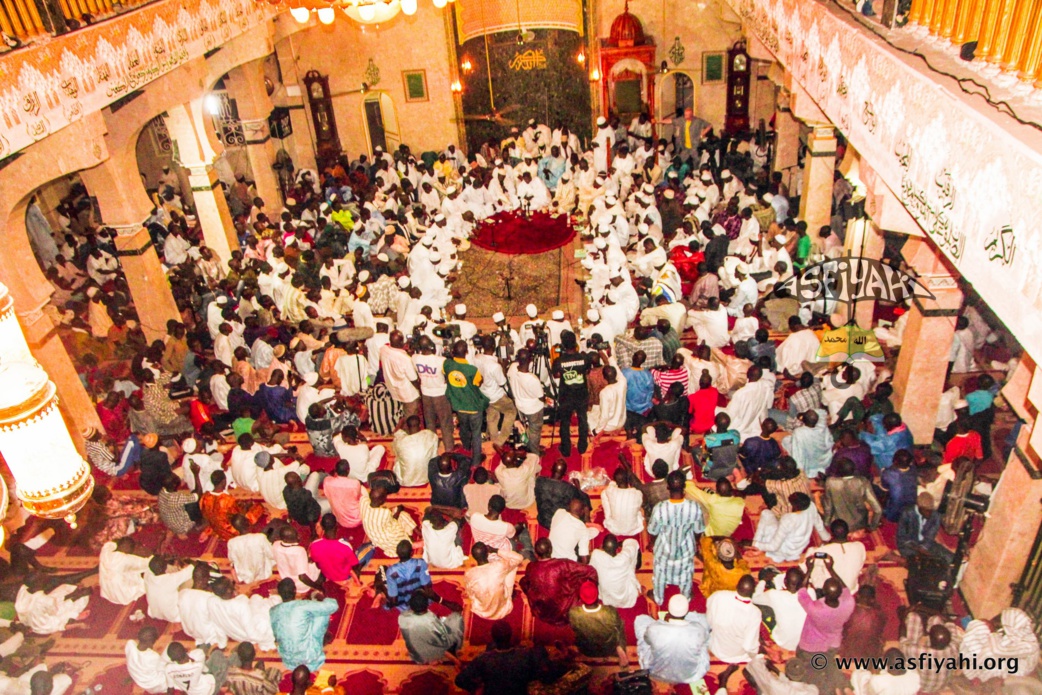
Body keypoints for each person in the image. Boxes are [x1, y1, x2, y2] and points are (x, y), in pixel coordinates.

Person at [797, 556, 855, 690]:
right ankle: (838, 685)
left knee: (810, 669)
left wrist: (809, 569)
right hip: (833, 643)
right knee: (828, 662)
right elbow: (845, 588)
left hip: (811, 645)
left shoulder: (816, 609)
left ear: (823, 592)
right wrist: (831, 568)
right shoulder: (848, 603)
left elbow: (801, 592)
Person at [633, 593, 711, 693]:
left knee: (641, 619)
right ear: (686, 611)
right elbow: (705, 638)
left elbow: (646, 640)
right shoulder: (698, 629)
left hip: (656, 673)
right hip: (691, 675)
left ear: (668, 610)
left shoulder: (655, 629)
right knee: (704, 629)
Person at [647, 470, 705, 605]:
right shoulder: (694, 507)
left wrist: (652, 544)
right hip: (686, 551)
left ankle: (658, 597)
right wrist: (696, 542)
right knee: (686, 572)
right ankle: (686, 596)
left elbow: (653, 531)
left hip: (663, 552)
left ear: (667, 487)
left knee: (660, 573)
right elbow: (698, 530)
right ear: (684, 487)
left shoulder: (660, 508)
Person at [454, 621, 548, 695]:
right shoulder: (525, 656)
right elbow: (543, 673)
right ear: (511, 635)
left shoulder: (483, 659)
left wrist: (477, 687)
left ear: (492, 637)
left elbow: (460, 680)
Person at [519, 538, 598, 625]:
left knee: (524, 581)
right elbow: (590, 570)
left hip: (542, 612)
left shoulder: (531, 567)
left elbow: (526, 584)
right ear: (551, 550)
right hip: (565, 611)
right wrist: (592, 586)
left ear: (536, 553)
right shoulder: (562, 564)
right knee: (579, 579)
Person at [268, 578, 339, 671]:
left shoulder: (273, 611)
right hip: (311, 657)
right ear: (295, 590)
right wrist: (318, 596)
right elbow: (333, 606)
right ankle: (321, 639)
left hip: (288, 660)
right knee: (322, 612)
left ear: (279, 593)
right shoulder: (301, 605)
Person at [706, 574, 761, 691]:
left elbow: (709, 619)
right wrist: (756, 653)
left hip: (715, 647)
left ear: (736, 586)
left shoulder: (718, 596)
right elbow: (749, 646)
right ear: (753, 591)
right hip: (736, 655)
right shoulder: (754, 613)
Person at [443, 340, 488, 466]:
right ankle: (476, 461)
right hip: (474, 407)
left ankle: (466, 448)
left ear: (452, 352)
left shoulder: (447, 364)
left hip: (459, 406)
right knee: (476, 434)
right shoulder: (472, 370)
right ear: (467, 352)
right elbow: (479, 383)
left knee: (464, 428)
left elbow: (445, 373)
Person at [754, 491, 831, 563]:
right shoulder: (811, 507)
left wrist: (755, 544)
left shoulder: (788, 519)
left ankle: (755, 547)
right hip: (798, 549)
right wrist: (828, 539)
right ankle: (757, 547)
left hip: (783, 551)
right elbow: (820, 527)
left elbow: (774, 546)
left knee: (766, 513)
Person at [899, 609, 964, 693]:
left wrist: (904, 617)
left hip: (921, 685)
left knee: (913, 617)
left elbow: (902, 642)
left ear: (929, 638)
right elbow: (949, 622)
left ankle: (913, 616)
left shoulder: (919, 652)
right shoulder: (954, 647)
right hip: (943, 685)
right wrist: (935, 613)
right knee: (936, 619)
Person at [568, 581, 628, 667]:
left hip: (586, 650)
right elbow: (617, 626)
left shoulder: (573, 613)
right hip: (609, 648)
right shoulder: (610, 611)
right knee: (620, 624)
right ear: (597, 596)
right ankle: (620, 649)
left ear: (580, 598)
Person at [551, 331, 592, 456]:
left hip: (565, 394)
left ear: (563, 345)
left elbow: (556, 375)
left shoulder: (559, 361)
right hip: (581, 393)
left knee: (565, 422)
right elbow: (587, 371)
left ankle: (566, 449)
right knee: (582, 419)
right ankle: (582, 446)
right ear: (575, 343)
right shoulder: (584, 358)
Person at [398, 591, 465, 664]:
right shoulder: (430, 619)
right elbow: (442, 635)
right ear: (427, 604)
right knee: (457, 618)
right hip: (433, 653)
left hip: (416, 656)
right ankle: (450, 652)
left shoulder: (402, 616)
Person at [752, 567, 807, 652]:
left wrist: (763, 581)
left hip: (782, 641)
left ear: (784, 582)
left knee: (762, 607)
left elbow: (754, 598)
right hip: (806, 642)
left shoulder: (774, 594)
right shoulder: (810, 593)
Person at [463, 543, 523, 620]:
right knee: (512, 568)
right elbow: (518, 558)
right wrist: (496, 550)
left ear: (473, 557)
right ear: (488, 553)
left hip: (481, 611)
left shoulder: (469, 574)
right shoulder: (498, 566)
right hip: (504, 610)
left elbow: (470, 593)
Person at [822, 458, 883, 533]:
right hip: (859, 524)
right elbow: (878, 509)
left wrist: (827, 523)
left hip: (839, 523)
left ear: (838, 471)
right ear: (854, 469)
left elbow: (828, 507)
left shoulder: (830, 482)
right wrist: (873, 526)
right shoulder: (862, 482)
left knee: (821, 497)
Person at [359, 486, 417, 556]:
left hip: (374, 537)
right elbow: (394, 521)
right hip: (388, 539)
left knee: (395, 511)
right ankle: (413, 535)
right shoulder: (384, 513)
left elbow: (365, 495)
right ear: (382, 501)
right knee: (402, 515)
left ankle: (414, 530)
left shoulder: (363, 501)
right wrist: (399, 510)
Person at [534, 459, 589, 530]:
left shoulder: (539, 481)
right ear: (565, 474)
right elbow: (583, 498)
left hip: (543, 520)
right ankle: (586, 521)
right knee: (582, 501)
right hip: (559, 522)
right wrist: (577, 486)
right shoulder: (568, 488)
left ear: (551, 469)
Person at [896, 492, 952, 562]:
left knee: (951, 558)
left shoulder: (936, 516)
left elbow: (931, 536)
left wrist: (924, 547)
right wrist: (918, 549)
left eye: (931, 511)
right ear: (919, 507)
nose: (929, 514)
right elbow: (902, 538)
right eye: (926, 511)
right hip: (909, 546)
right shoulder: (907, 514)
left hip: (927, 544)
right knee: (919, 563)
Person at [98, 536, 151, 605]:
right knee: (146, 582)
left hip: (106, 592)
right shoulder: (125, 559)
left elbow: (108, 545)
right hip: (123, 596)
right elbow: (145, 564)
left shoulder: (106, 552)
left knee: (128, 571)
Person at [784, 409, 834, 478]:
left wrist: (799, 472)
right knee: (786, 440)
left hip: (809, 461)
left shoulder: (799, 432)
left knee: (786, 442)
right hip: (822, 460)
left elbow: (798, 454)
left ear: (803, 421)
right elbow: (830, 442)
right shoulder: (823, 428)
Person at [849, 648, 921, 695]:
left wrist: (872, 674)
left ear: (887, 665)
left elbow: (868, 692)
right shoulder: (915, 675)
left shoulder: (878, 681)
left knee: (860, 675)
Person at [393, 415, 439, 487]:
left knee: (397, 458)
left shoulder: (400, 441)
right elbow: (435, 454)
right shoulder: (430, 435)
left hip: (406, 480)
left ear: (407, 427)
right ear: (420, 425)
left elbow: (397, 434)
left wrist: (400, 425)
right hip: (427, 477)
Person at [548, 498, 599, 562]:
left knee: (586, 534)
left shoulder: (559, 512)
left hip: (550, 558)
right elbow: (584, 556)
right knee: (593, 532)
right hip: (568, 563)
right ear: (582, 511)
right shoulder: (581, 527)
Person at [601, 465, 644, 537]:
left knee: (604, 494)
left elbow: (611, 485)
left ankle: (610, 517)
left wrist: (614, 482)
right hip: (634, 529)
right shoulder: (637, 493)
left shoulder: (611, 491)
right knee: (638, 507)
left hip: (613, 528)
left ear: (615, 481)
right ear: (628, 480)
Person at [126, 626, 169, 694]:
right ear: (151, 641)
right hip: (153, 685)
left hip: (137, 677)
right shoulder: (153, 656)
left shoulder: (130, 644)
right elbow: (164, 669)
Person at [322, 459, 363, 528]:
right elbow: (358, 497)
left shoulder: (327, 481)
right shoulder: (355, 483)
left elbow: (326, 494)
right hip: (358, 519)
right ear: (348, 471)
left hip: (339, 519)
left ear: (336, 471)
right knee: (363, 490)